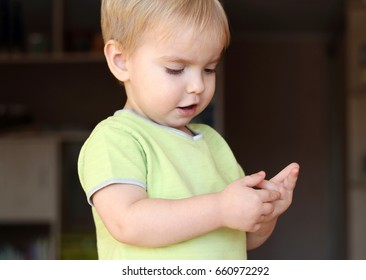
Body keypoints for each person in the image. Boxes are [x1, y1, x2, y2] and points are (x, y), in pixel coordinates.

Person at [78, 0, 300, 260]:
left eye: (209, 69)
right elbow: (127, 222)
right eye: (176, 69)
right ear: (121, 61)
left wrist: (264, 214)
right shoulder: (116, 138)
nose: (197, 85)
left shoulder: (214, 144)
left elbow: (243, 238)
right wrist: (220, 208)